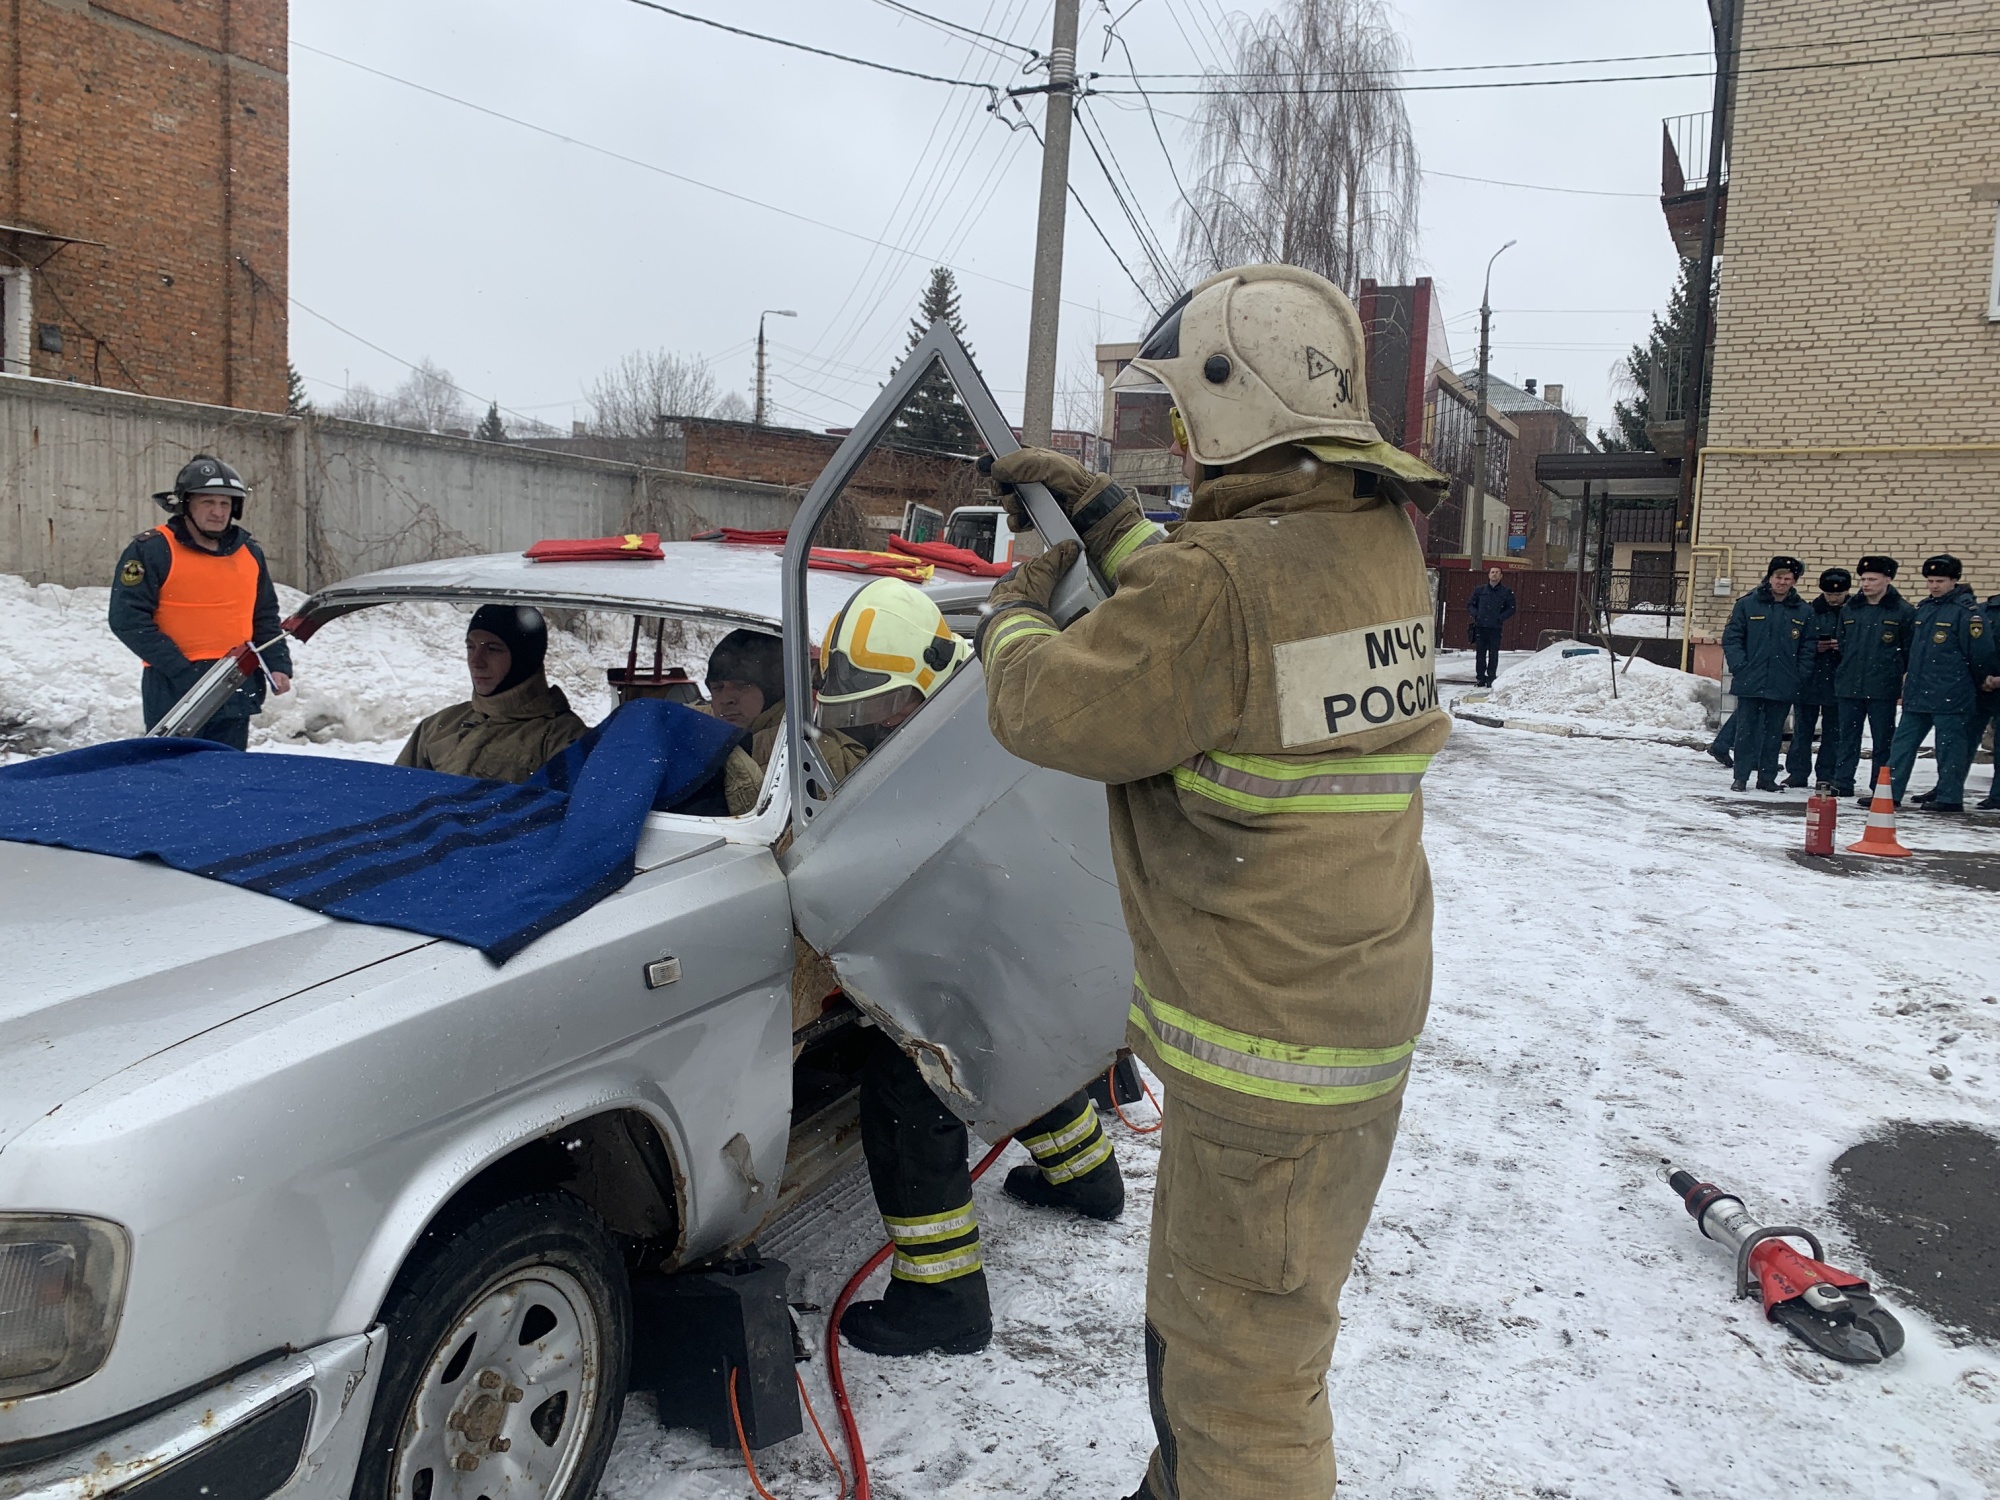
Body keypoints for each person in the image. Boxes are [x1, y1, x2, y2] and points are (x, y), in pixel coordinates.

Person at [976, 264, 1450, 1500]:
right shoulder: (1371, 538)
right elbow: (1238, 617)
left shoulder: (1216, 588)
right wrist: (1118, 531)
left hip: (1265, 1060)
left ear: (1234, 404)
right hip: (1342, 1017)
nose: (1178, 437)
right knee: (1234, 1330)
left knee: (1241, 1375)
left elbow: (1053, 708)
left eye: (1185, 413)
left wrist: (1013, 617)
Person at [818, 577, 1127, 1358]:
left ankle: (941, 1298)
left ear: (927, 680)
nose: (875, 726)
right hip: (1031, 935)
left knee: (911, 1085)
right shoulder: (976, 703)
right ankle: (1087, 1176)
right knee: (1018, 1046)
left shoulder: (974, 731)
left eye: (885, 707)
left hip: (1005, 926)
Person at [108, 455, 293, 749]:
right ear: (185, 504)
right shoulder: (152, 549)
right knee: (177, 776)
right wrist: (184, 671)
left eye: (225, 503)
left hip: (236, 680)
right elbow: (127, 619)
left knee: (228, 775)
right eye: (208, 502)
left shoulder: (250, 553)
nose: (218, 512)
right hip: (175, 686)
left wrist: (278, 664)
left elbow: (264, 616)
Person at [396, 604, 587, 782]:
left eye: (493, 649)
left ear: (524, 658)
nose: (476, 661)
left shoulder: (562, 738)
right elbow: (394, 795)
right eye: (471, 647)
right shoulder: (439, 724)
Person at [1887, 555, 1996, 813]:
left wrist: (1982, 680)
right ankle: (1889, 794)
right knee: (1902, 745)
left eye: (1940, 581)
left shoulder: (1967, 613)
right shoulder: (1925, 608)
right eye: (1930, 581)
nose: (1934, 585)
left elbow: (1980, 654)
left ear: (1954, 581)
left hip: (1952, 692)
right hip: (1918, 691)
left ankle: (1949, 797)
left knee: (1950, 749)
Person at [1721, 556, 1814, 792]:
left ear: (1794, 581)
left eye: (1787, 579)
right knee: (1745, 731)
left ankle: (1767, 778)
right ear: (1769, 578)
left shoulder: (1803, 611)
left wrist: (1800, 673)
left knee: (1774, 733)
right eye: (1778, 577)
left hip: (1783, 681)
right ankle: (1741, 776)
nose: (1782, 582)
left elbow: (1808, 646)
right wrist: (1740, 666)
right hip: (1750, 679)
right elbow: (1732, 639)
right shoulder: (1747, 604)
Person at [1832, 555, 1916, 804]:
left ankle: (1880, 785)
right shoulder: (1850, 608)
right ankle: (1843, 781)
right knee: (1847, 737)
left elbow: (1908, 650)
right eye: (1863, 579)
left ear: (1887, 580)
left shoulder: (1902, 611)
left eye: (1872, 579)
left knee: (1883, 740)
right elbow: (1843, 643)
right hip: (1849, 684)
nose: (1866, 584)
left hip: (1883, 686)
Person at [1784, 568, 1848, 787]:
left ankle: (1826, 775)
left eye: (1838, 595)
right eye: (1829, 594)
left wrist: (1843, 646)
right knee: (1803, 729)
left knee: (1834, 732)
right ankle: (1797, 772)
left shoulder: (1852, 612)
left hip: (1839, 679)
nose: (1833, 598)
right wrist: (1815, 647)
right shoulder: (1810, 611)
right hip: (1811, 677)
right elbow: (1798, 642)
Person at [705, 628, 788, 769]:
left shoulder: (808, 750)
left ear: (772, 692)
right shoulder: (694, 731)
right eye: (717, 687)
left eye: (741, 685)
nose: (725, 699)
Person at [1465, 565, 1517, 687]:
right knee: (1480, 654)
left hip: (1495, 628)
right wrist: (1476, 614)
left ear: (1501, 576)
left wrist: (1500, 618)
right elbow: (1470, 605)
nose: (1494, 574)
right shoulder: (1480, 590)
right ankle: (1480, 678)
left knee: (1493, 653)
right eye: (1492, 572)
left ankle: (1491, 677)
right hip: (1480, 627)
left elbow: (1511, 608)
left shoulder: (1505, 592)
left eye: (1497, 572)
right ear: (1488, 575)